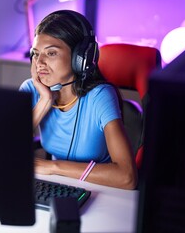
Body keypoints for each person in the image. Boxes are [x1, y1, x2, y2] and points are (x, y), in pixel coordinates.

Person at [19, 10, 138, 190]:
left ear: (80, 58)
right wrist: (44, 101)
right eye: (36, 54)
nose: (39, 63)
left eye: (51, 53)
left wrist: (52, 167)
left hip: (102, 190)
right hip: (60, 186)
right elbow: (4, 154)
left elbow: (127, 177)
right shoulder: (32, 89)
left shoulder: (100, 96)